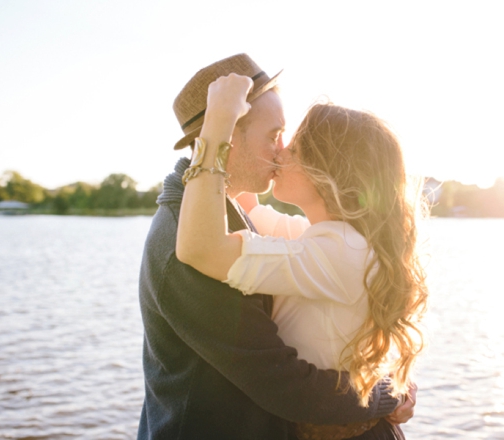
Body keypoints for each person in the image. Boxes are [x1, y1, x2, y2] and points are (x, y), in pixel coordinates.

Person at [138, 54, 415, 440]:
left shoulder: (330, 245)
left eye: (290, 141)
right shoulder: (182, 239)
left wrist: (384, 388)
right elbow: (283, 382)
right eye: (274, 136)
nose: (281, 151)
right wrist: (385, 394)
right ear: (229, 138)